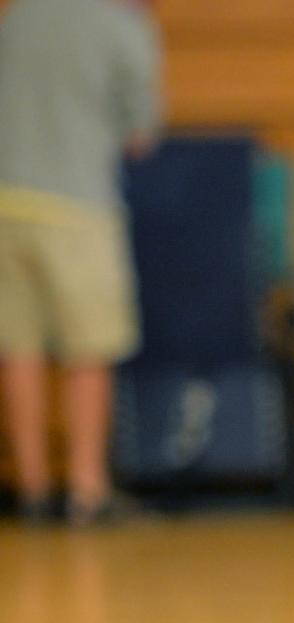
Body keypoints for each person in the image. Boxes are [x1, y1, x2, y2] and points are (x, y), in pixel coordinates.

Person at [0, 0, 162, 525]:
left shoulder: (16, 17)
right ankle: (87, 492)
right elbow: (140, 136)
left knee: (17, 350)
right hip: (79, 207)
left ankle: (32, 491)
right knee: (89, 350)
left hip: (5, 203)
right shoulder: (123, 26)